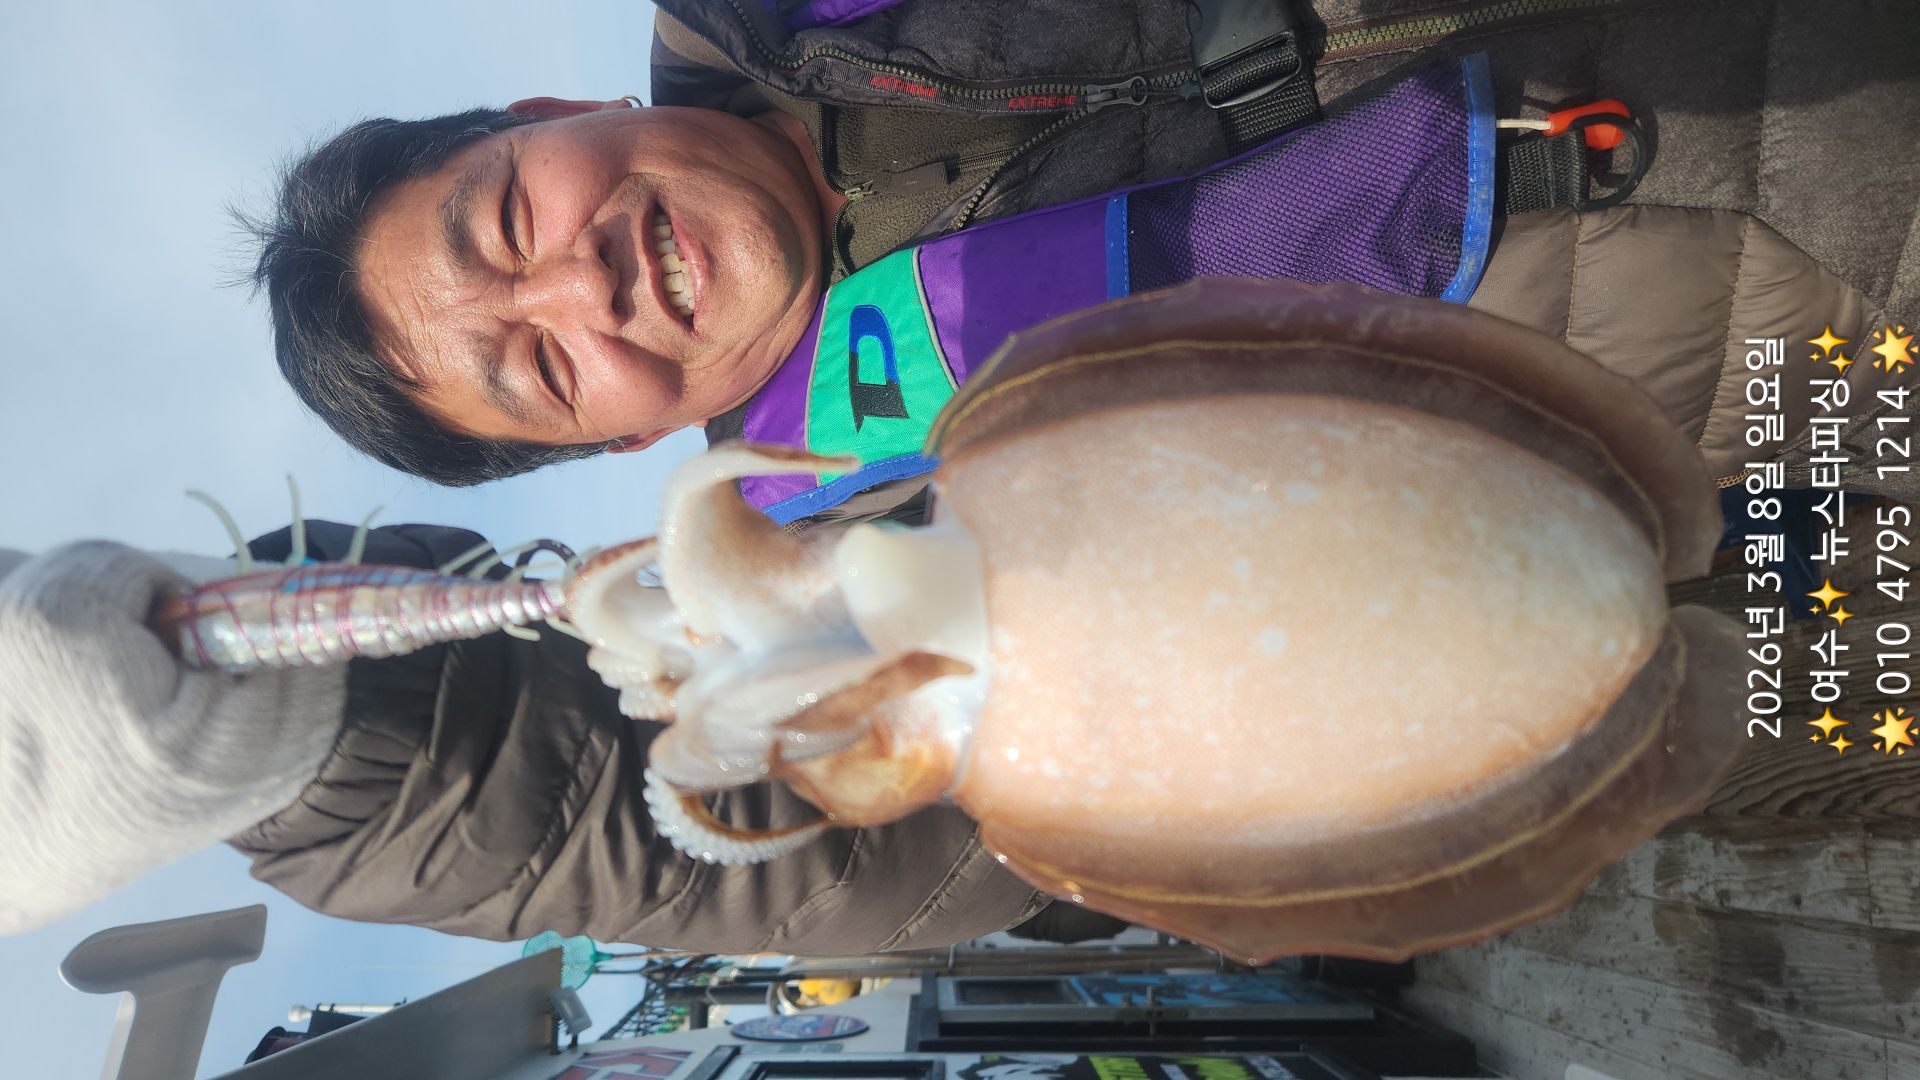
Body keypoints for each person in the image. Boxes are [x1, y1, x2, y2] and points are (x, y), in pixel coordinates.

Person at [3, 0, 1916, 946]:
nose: (587, 285)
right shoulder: (844, 561)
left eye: (511, 215)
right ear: (618, 442)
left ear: (547, 110)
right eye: (541, 370)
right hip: (1815, 550)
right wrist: (319, 752)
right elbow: (817, 856)